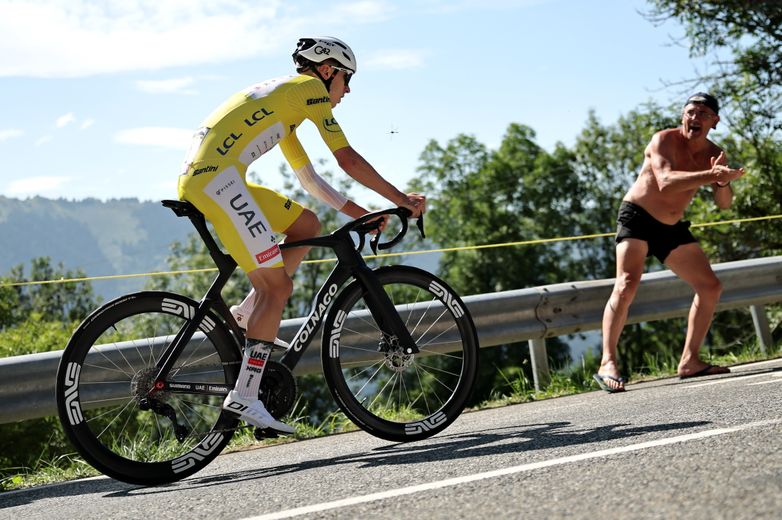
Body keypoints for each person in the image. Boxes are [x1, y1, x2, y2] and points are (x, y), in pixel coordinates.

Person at [178, 36, 425, 432]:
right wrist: (401, 199)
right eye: (346, 79)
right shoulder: (310, 91)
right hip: (218, 182)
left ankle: (246, 313)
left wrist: (364, 213)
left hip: (212, 178)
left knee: (306, 225)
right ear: (327, 71)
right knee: (277, 289)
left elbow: (309, 179)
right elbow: (346, 158)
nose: (347, 90)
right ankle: (245, 395)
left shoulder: (286, 102)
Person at [594, 92, 745, 393]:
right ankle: (607, 362)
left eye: (703, 114)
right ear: (682, 115)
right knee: (626, 283)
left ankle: (690, 361)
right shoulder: (663, 139)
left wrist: (724, 181)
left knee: (710, 286)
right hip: (638, 216)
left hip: (670, 226)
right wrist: (711, 174)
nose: (695, 118)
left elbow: (724, 204)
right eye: (690, 112)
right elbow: (665, 180)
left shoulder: (714, 154)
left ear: (714, 121)